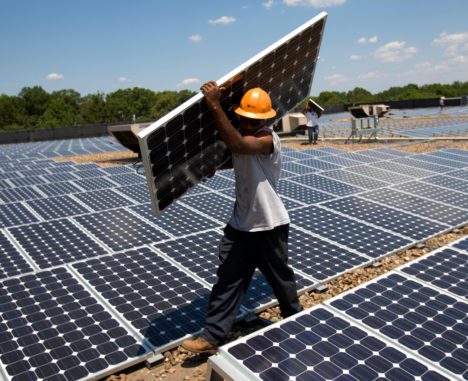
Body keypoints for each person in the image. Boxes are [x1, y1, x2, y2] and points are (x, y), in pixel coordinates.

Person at [181, 81, 302, 354]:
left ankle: (297, 321)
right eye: (243, 119)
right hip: (241, 225)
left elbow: (239, 144)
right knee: (228, 279)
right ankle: (212, 336)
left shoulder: (268, 140)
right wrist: (209, 166)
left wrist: (213, 105)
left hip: (269, 224)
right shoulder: (246, 142)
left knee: (280, 280)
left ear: (265, 118)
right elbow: (235, 154)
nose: (246, 124)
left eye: (252, 120)